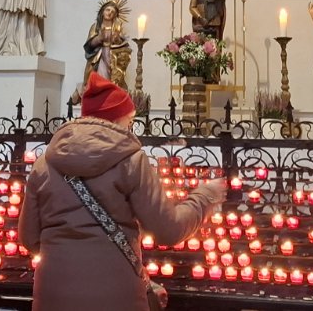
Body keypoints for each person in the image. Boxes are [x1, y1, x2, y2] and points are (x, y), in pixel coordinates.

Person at [20, 73, 226, 311]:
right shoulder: (131, 161)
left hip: (53, 296)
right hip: (117, 296)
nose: (131, 128)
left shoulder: (44, 164)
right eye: (130, 121)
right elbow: (168, 231)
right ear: (117, 120)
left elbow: (29, 239)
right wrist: (204, 197)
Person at [76, 0, 133, 97]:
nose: (109, 13)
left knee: (111, 77)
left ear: (115, 16)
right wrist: (99, 38)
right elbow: (89, 45)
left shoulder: (117, 29)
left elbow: (123, 46)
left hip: (112, 58)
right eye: (107, 10)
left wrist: (117, 39)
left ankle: (108, 95)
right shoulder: (95, 27)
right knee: (100, 77)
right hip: (98, 57)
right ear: (102, 11)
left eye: (113, 12)